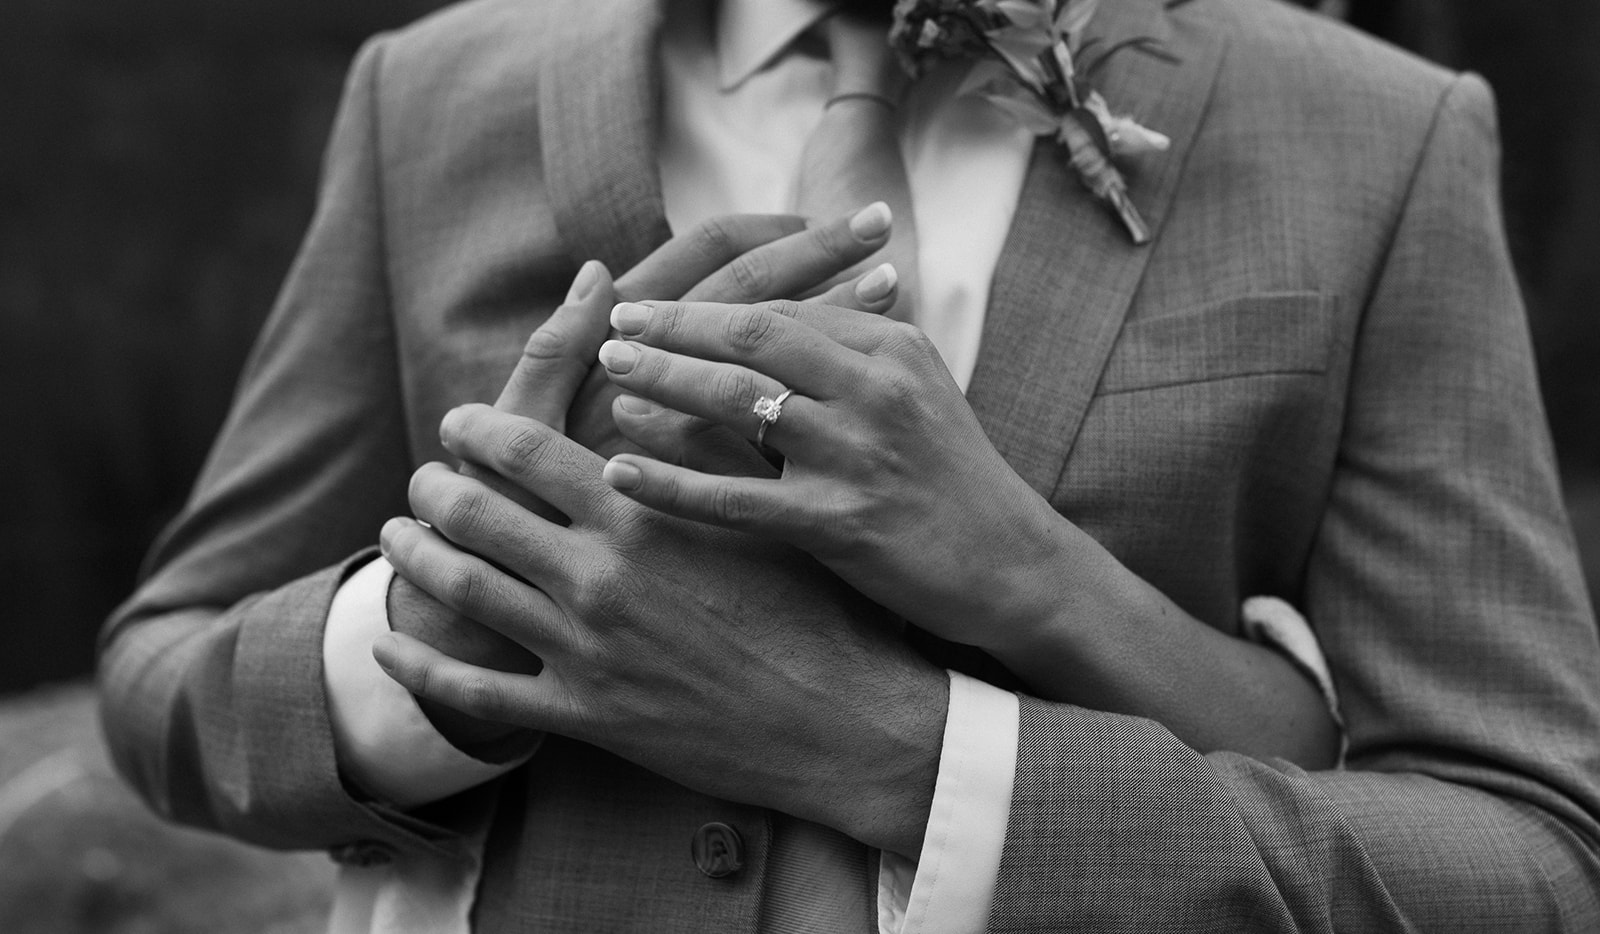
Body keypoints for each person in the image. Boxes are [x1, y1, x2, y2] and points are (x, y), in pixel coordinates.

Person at [99, 0, 1600, 931]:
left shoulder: (1376, 135)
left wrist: (916, 725)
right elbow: (162, 682)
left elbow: (1527, 865)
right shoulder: (426, 98)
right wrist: (421, 646)